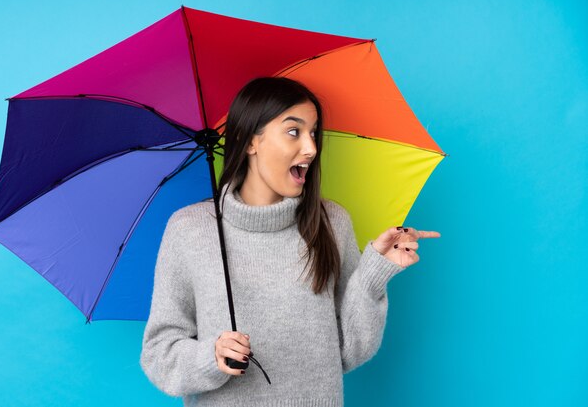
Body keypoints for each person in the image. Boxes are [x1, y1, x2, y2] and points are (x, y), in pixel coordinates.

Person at [140, 76, 441, 406]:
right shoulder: (189, 230)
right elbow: (159, 353)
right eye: (294, 131)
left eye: (313, 133)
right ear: (248, 140)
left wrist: (373, 274)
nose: (311, 148)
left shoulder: (331, 222)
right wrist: (210, 357)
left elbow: (347, 352)